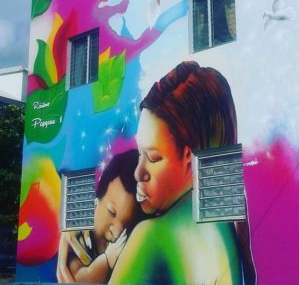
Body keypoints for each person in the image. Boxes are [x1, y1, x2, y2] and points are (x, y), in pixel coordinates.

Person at [110, 61, 256, 285]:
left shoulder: (152, 236)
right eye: (140, 154)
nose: (138, 173)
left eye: (153, 157)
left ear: (189, 157)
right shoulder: (227, 224)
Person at [56, 150, 144, 283]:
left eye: (126, 225)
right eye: (111, 212)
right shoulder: (79, 239)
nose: (117, 233)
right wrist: (106, 261)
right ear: (95, 203)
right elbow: (78, 278)